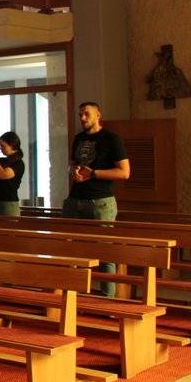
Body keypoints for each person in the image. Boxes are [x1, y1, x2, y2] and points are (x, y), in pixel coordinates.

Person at [62, 101, 131, 297]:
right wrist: (74, 171)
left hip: (100, 201)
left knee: (104, 252)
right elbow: (73, 164)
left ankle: (107, 298)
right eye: (80, 115)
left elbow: (124, 172)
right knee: (71, 249)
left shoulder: (111, 139)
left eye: (87, 114)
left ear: (98, 115)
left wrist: (94, 173)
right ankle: (73, 296)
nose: (82, 118)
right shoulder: (78, 138)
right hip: (75, 199)